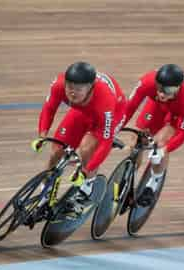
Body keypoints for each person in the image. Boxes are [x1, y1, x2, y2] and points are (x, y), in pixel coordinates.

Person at [31, 61, 126, 211]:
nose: (72, 92)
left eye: (78, 89)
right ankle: (46, 192)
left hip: (111, 114)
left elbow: (105, 142)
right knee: (57, 150)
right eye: (69, 87)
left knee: (87, 148)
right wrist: (42, 136)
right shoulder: (59, 85)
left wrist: (86, 171)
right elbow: (49, 109)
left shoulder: (104, 102)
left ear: (90, 88)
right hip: (82, 111)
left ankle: (87, 188)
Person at [124, 64, 184, 207]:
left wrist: (165, 150)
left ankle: (153, 183)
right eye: (159, 88)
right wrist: (116, 127)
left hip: (177, 110)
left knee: (160, 143)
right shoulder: (147, 82)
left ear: (178, 87)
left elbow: (183, 133)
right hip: (157, 105)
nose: (162, 93)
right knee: (137, 138)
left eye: (168, 90)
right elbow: (129, 108)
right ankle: (128, 177)